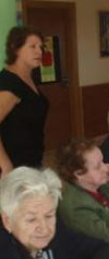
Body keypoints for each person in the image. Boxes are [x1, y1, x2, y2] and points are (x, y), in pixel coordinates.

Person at [0, 166, 109, 259]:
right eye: (31, 219)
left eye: (49, 216)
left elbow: (101, 248)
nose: (44, 228)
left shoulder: (58, 231)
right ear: (7, 222)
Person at [0, 26, 49, 177]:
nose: (39, 51)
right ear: (16, 49)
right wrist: (5, 165)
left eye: (41, 47)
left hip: (31, 161)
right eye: (32, 46)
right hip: (14, 166)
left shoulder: (29, 77)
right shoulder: (9, 83)